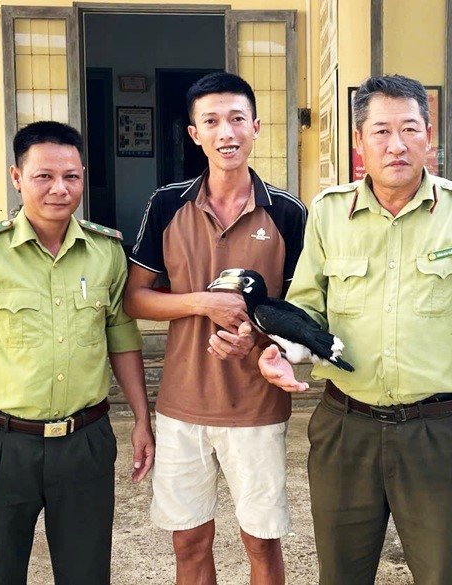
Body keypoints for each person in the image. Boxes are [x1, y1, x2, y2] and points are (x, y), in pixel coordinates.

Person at [258, 74, 452, 585]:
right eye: (381, 131)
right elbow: (306, 310)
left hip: (437, 431)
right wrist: (281, 352)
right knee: (341, 574)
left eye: (410, 129)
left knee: (443, 575)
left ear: (429, 135)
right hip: (346, 428)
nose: (397, 145)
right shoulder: (329, 213)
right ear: (359, 141)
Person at [0, 121, 153, 585]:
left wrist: (142, 417)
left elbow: (122, 338)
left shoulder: (106, 250)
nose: (60, 189)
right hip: (2, 445)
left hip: (85, 442)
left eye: (71, 176)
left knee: (87, 574)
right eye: (44, 176)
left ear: (83, 176)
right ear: (17, 177)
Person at [125, 72, 306, 585]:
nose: (226, 132)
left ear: (256, 127)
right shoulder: (167, 204)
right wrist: (204, 303)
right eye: (211, 121)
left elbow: (300, 310)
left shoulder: (287, 212)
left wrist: (257, 336)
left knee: (262, 543)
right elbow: (134, 298)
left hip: (256, 407)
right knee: (188, 542)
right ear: (194, 134)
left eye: (236, 119)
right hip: (182, 406)